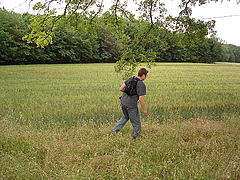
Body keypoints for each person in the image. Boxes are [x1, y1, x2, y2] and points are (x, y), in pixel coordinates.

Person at [112, 68, 148, 139]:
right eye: (146, 75)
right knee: (136, 123)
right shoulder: (141, 84)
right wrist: (145, 110)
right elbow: (141, 99)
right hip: (131, 106)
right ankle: (135, 137)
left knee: (126, 117)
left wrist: (129, 93)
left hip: (123, 103)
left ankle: (115, 130)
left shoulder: (131, 78)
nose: (146, 77)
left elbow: (121, 88)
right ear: (143, 75)